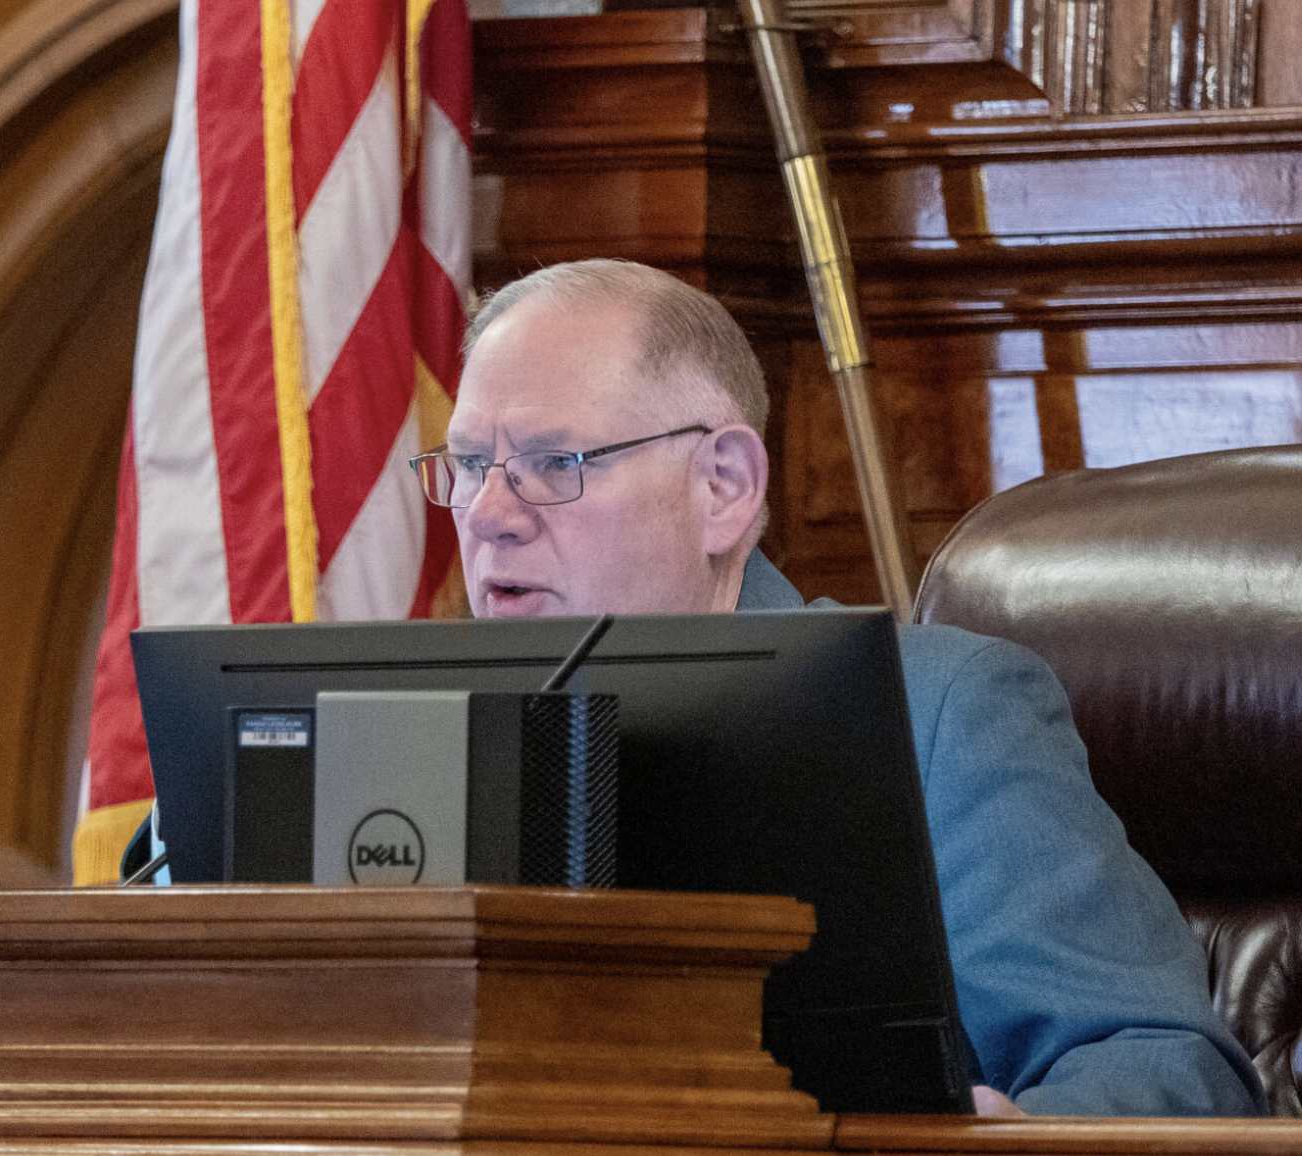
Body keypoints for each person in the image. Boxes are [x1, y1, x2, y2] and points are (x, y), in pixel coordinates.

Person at [411, 258, 1265, 1117]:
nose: (487, 513)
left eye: (551, 462)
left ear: (724, 486)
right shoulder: (433, 740)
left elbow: (1174, 1073)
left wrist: (1023, 1134)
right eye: (471, 465)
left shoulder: (935, 713)